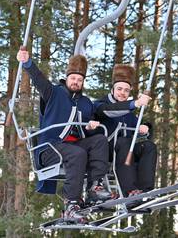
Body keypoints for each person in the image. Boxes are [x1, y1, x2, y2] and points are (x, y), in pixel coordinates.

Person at [16, 49, 112, 223]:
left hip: (74, 146)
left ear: (83, 82)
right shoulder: (53, 93)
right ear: (67, 78)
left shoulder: (85, 103)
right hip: (50, 148)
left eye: (80, 79)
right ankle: (71, 204)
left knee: (99, 140)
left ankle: (94, 187)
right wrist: (27, 62)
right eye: (73, 78)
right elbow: (38, 79)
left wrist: (91, 126)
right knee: (78, 153)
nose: (76, 82)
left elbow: (87, 127)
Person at [94, 64, 157, 201]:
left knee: (148, 146)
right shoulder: (101, 105)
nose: (122, 93)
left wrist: (144, 128)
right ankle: (130, 191)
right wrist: (134, 104)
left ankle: (145, 190)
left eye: (126, 90)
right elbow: (110, 111)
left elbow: (138, 130)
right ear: (113, 89)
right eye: (119, 89)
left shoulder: (129, 114)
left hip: (125, 150)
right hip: (106, 151)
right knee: (123, 142)